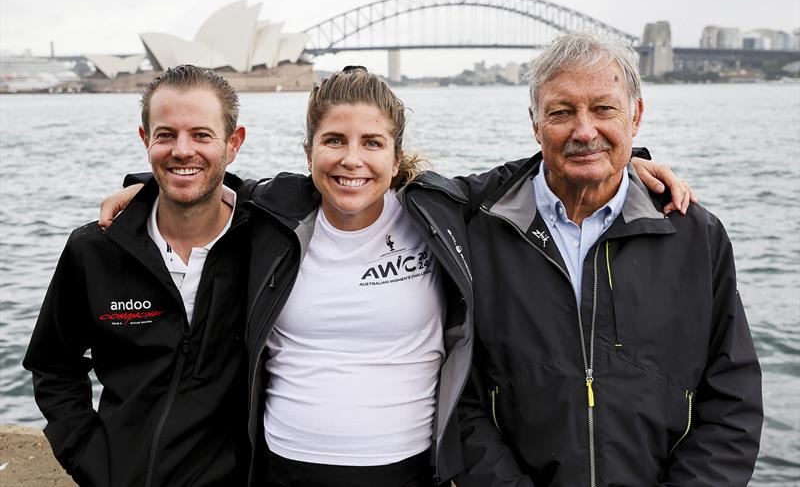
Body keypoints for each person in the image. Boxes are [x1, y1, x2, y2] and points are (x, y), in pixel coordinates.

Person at [99, 66, 694, 486]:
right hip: (283, 467)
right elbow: (201, 178)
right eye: (334, 141)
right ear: (309, 151)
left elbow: (541, 161)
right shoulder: (274, 212)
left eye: (371, 143)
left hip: (412, 469)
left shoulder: (434, 208)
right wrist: (146, 184)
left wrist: (632, 161)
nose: (351, 160)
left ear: (396, 153)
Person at [456, 32, 763, 486]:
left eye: (604, 109)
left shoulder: (694, 234)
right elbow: (462, 401)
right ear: (534, 124)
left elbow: (731, 399)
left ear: (635, 116)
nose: (584, 130)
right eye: (561, 112)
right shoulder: (480, 235)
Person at [24, 65, 251, 487]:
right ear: (146, 139)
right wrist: (88, 455)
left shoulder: (266, 241)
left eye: (202, 135)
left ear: (233, 143)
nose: (183, 150)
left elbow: (345, 186)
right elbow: (54, 366)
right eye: (166, 134)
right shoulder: (95, 248)